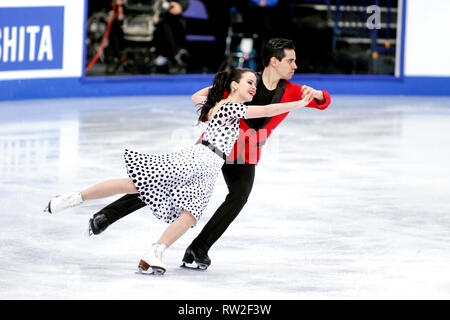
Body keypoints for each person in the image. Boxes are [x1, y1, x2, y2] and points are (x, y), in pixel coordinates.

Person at [87, 38, 331, 270]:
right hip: (213, 148)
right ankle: (107, 215)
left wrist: (317, 94)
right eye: (291, 61)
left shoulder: (291, 90)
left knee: (239, 196)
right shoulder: (244, 81)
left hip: (244, 154)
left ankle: (198, 249)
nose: (295, 66)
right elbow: (206, 96)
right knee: (165, 182)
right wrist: (211, 110)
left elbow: (323, 100)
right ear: (274, 62)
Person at [44, 68, 316, 275]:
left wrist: (218, 89)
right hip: (198, 159)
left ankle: (155, 252)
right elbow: (266, 109)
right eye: (249, 82)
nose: (254, 87)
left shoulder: (224, 104)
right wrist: (300, 104)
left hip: (209, 168)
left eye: (255, 84)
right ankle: (72, 198)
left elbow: (199, 98)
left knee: (189, 216)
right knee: (136, 185)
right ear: (234, 85)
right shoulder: (231, 106)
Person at [152, 0, 190, 73]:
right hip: (149, 14)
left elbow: (184, 2)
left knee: (168, 22)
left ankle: (175, 56)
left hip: (170, 18)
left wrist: (180, 6)